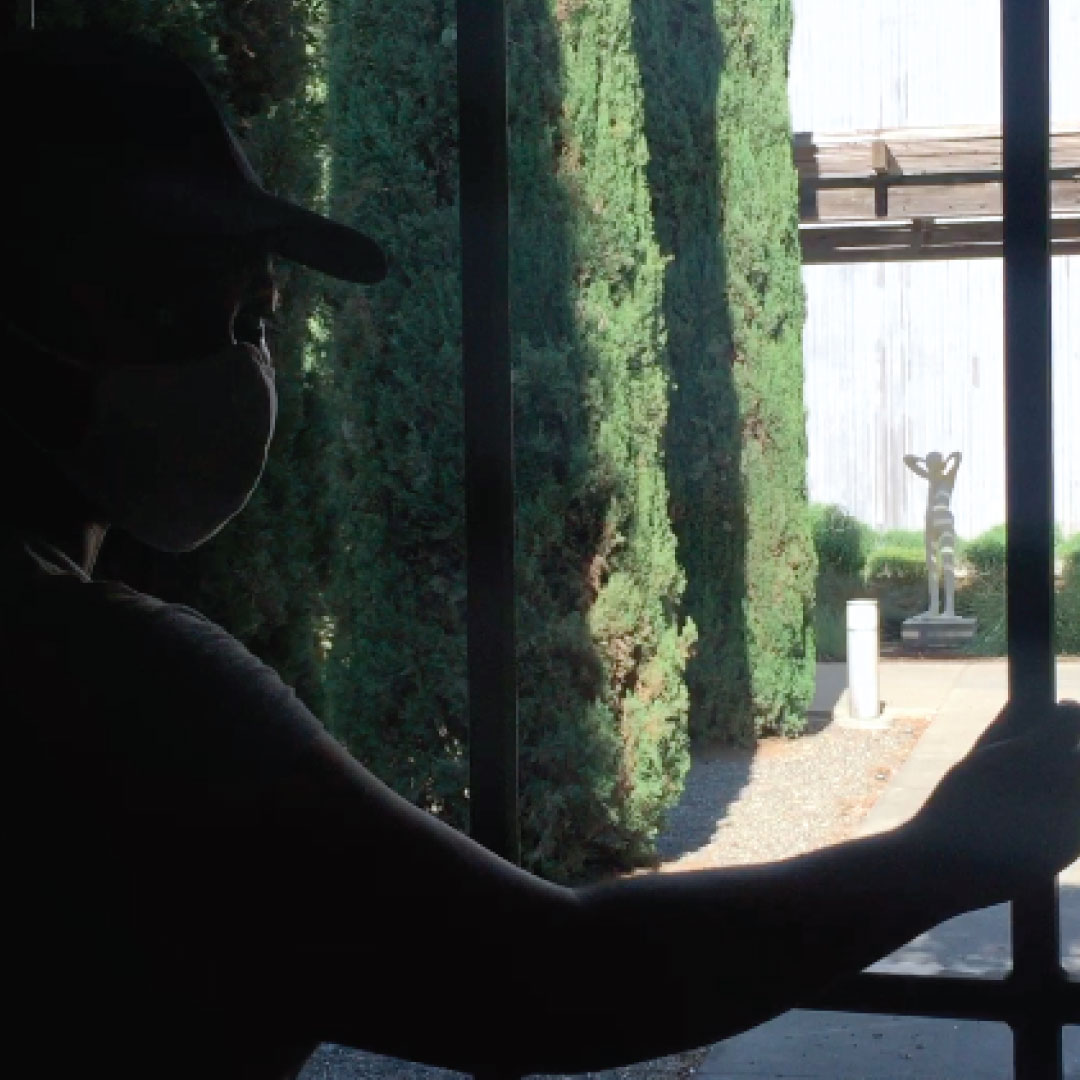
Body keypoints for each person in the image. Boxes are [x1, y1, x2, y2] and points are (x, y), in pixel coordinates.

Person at [1, 29, 1077, 1080]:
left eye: (258, 315)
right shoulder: (119, 684)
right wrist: (943, 854)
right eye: (187, 302)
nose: (241, 356)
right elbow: (554, 974)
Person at [904, 450, 963, 618]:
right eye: (929, 466)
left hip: (944, 524)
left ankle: (949, 608)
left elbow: (958, 457)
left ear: (939, 466)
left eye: (932, 466)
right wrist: (923, 459)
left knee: (947, 565)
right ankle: (934, 607)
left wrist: (948, 460)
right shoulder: (931, 478)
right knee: (932, 567)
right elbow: (908, 460)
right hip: (930, 525)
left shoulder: (948, 478)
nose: (929, 469)